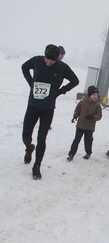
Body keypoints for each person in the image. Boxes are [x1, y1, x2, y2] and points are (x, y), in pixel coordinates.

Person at [22, 44, 79, 179]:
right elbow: (24, 67)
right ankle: (29, 148)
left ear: (56, 58)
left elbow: (75, 81)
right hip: (33, 105)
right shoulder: (37, 60)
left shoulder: (62, 67)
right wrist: (31, 83)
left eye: (52, 60)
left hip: (47, 108)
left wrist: (59, 92)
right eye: (47, 59)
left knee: (42, 138)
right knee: (25, 135)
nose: (49, 62)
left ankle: (37, 166)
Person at [66, 86, 102, 161]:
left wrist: (92, 117)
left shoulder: (97, 105)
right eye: (93, 95)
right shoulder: (82, 102)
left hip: (90, 127)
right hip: (80, 125)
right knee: (76, 140)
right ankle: (71, 154)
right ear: (89, 95)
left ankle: (88, 152)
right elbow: (77, 110)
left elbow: (99, 116)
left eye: (96, 95)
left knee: (88, 141)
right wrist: (75, 116)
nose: (95, 96)